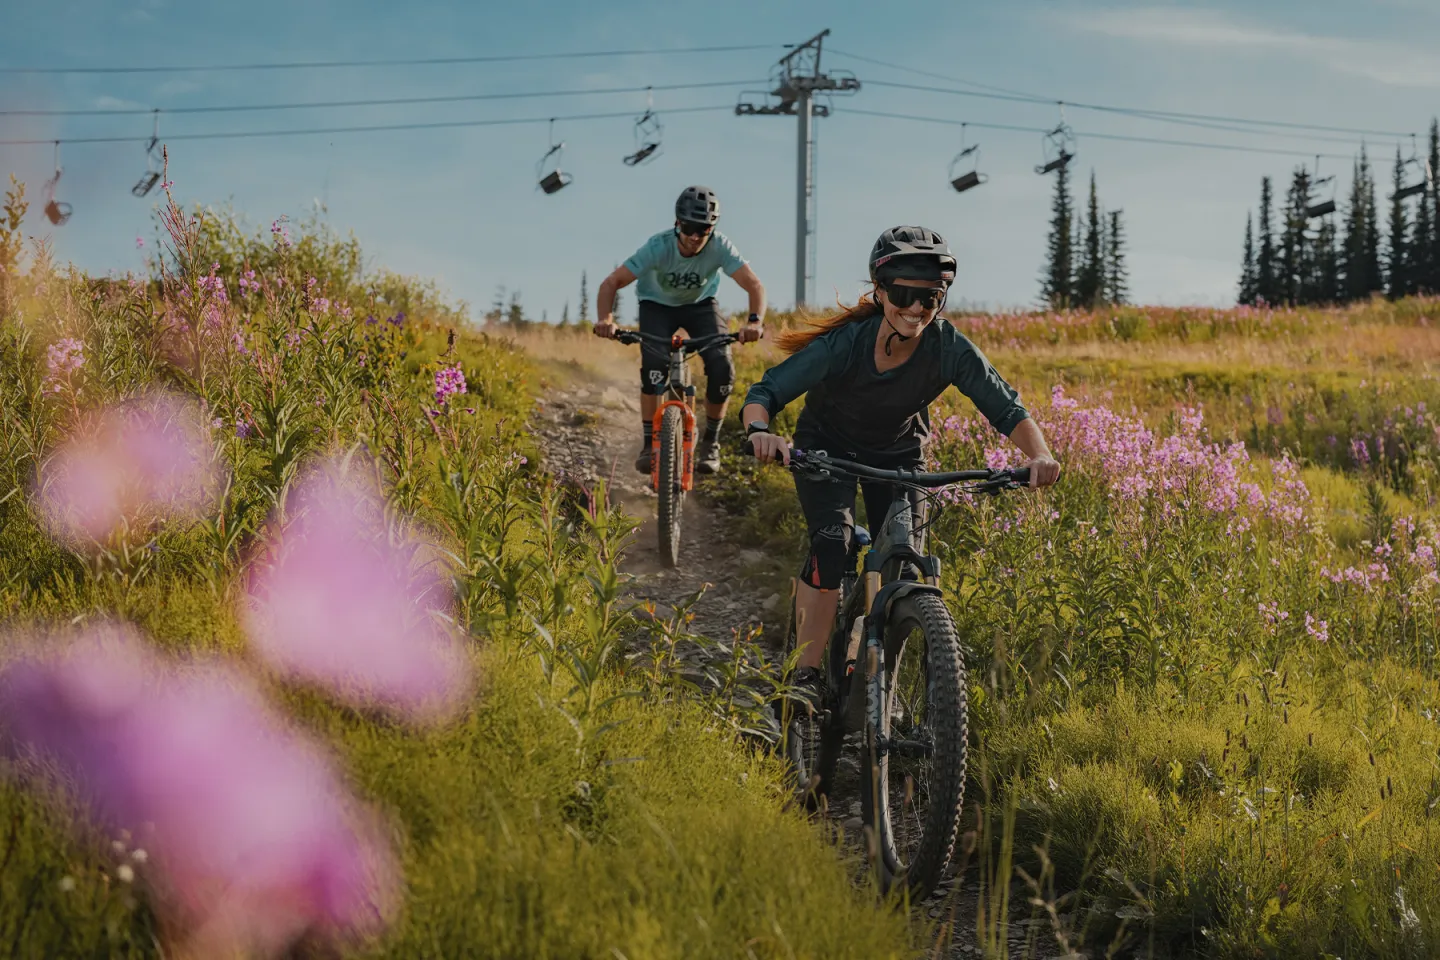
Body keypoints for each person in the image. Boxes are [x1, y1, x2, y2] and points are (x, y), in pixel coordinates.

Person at [740, 225, 1061, 700]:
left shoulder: (948, 348)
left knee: (907, 564)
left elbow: (1006, 407)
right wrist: (761, 432)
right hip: (827, 449)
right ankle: (805, 677)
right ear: (880, 290)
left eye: (929, 299)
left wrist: (1040, 454)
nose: (915, 309)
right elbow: (765, 392)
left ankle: (883, 684)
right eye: (903, 294)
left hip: (898, 455)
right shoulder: (846, 343)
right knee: (833, 543)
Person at [593, 185, 767, 476]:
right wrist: (605, 319)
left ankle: (711, 442)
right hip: (656, 306)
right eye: (689, 228)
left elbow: (754, 285)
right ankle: (649, 444)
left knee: (722, 366)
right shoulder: (658, 247)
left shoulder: (719, 246)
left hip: (700, 306)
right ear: (677, 224)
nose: (696, 237)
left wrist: (754, 322)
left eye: (704, 229)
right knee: (653, 366)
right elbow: (611, 283)